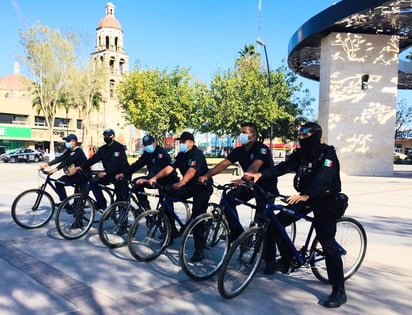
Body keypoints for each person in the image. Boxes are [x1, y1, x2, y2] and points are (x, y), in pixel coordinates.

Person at [245, 122, 346, 308]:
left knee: (328, 244)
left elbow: (324, 177)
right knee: (275, 224)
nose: (301, 136)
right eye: (299, 133)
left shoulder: (327, 154)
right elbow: (283, 167)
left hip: (325, 200)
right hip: (304, 198)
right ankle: (288, 260)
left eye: (305, 133)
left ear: (316, 134)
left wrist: (307, 195)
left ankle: (339, 291)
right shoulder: (300, 153)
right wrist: (261, 175)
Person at [199, 122, 277, 242]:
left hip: (265, 187)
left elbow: (255, 166)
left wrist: (243, 179)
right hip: (249, 184)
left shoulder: (262, 149)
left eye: (244, 133)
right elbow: (224, 164)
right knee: (228, 200)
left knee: (261, 220)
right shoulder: (239, 150)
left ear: (254, 135)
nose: (241, 135)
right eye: (240, 132)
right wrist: (207, 175)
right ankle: (239, 235)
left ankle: (262, 250)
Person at [147, 131, 213, 262]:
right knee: (166, 197)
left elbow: (192, 170)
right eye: (180, 142)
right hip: (188, 186)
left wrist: (181, 182)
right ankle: (171, 232)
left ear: (191, 143)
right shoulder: (181, 155)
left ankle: (199, 250)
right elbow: (170, 168)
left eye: (183, 142)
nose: (181, 144)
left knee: (197, 216)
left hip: (202, 187)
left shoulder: (197, 154)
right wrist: (155, 177)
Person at [115, 135, 179, 211]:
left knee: (166, 206)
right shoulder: (147, 154)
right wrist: (124, 173)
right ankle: (146, 208)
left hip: (166, 180)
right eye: (145, 145)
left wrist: (149, 179)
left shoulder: (161, 153)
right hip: (153, 178)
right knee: (136, 183)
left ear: (154, 143)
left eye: (149, 144)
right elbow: (137, 164)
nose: (147, 146)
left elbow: (163, 169)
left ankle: (169, 222)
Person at [79, 128, 129, 209]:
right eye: (105, 135)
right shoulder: (102, 149)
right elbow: (93, 159)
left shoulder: (118, 148)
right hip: (109, 173)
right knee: (94, 183)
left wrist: (106, 172)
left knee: (121, 196)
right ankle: (102, 204)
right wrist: (81, 166)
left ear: (113, 136)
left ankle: (122, 219)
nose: (106, 137)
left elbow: (117, 164)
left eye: (109, 135)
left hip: (120, 174)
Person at [39, 134, 89, 201]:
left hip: (82, 176)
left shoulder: (78, 151)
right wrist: (47, 164)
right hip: (74, 175)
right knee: (58, 182)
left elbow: (67, 161)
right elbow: (60, 158)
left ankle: (76, 207)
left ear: (74, 142)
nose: (66, 143)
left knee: (77, 208)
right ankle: (65, 203)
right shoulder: (69, 151)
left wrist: (55, 169)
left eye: (67, 141)